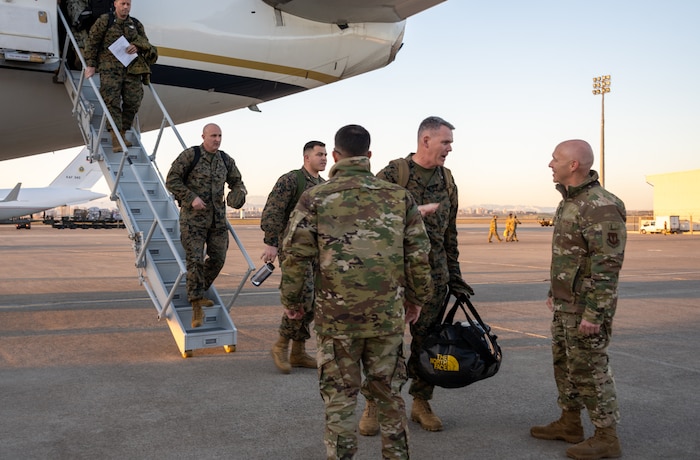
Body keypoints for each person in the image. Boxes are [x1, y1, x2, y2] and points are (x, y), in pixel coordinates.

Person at [280, 124, 433, 460]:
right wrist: (416, 300)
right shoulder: (398, 197)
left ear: (335, 156)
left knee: (339, 402)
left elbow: (294, 255)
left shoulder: (316, 197)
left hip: (337, 323)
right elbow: (419, 255)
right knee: (390, 398)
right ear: (369, 156)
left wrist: (294, 303)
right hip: (386, 321)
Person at [360, 116, 474, 434]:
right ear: (425, 140)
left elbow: (449, 235)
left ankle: (421, 402)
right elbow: (369, 218)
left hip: (433, 278)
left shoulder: (448, 180)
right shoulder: (394, 173)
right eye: (445, 142)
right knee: (386, 345)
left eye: (450, 143)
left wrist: (455, 276)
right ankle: (374, 404)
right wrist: (412, 213)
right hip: (393, 276)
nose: (449, 148)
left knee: (428, 343)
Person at [530, 139, 626, 460]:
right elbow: (569, 257)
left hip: (586, 308)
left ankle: (606, 436)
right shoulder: (570, 202)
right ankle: (570, 423)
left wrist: (595, 313)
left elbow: (606, 266)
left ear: (574, 165)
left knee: (590, 369)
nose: (550, 163)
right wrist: (554, 292)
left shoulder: (600, 205)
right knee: (565, 364)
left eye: (555, 158)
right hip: (565, 305)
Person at [165, 123, 247, 328]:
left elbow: (237, 181)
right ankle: (196, 306)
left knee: (219, 258)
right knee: (195, 259)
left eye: (219, 135)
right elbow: (172, 180)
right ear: (203, 136)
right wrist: (190, 197)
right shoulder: (190, 156)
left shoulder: (226, 160)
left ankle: (198, 291)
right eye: (213, 136)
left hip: (217, 220)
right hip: (193, 220)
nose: (217, 139)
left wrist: (238, 194)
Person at [261, 141, 328, 373]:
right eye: (319, 154)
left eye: (326, 154)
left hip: (316, 253)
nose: (324, 158)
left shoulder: (323, 185)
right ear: (306, 157)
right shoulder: (291, 180)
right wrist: (270, 241)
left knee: (312, 303)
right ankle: (281, 345)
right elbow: (273, 210)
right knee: (300, 297)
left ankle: (298, 351)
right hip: (294, 251)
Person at [83, 0, 157, 152]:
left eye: (128, 4)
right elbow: (92, 42)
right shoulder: (105, 20)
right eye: (123, 3)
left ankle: (123, 131)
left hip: (131, 69)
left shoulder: (135, 24)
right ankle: (116, 137)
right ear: (115, 4)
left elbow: (146, 43)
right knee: (112, 101)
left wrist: (137, 46)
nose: (126, 7)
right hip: (110, 70)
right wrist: (90, 64)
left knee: (134, 101)